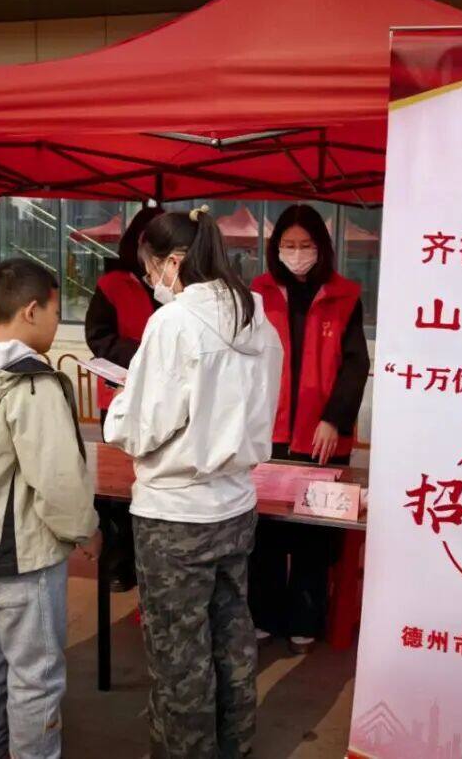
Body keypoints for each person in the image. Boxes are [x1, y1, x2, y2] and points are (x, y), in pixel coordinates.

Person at [103, 206, 283, 759]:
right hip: (235, 504)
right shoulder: (256, 317)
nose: (151, 280)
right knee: (231, 634)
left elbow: (142, 427)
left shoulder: (174, 323)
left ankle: (185, 750)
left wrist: (121, 409)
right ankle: (235, 742)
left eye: (150, 269)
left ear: (174, 261)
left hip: (175, 514)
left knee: (178, 651)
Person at [0, 258, 100, 759]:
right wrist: (86, 530)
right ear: (32, 310)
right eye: (56, 311)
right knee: (36, 676)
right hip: (21, 557)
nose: (58, 322)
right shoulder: (32, 383)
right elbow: (57, 477)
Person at [248, 204, 370, 654]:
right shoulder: (258, 294)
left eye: (305, 245)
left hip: (322, 438)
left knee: (313, 537)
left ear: (322, 248)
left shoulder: (345, 296)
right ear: (275, 248)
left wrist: (333, 418)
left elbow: (355, 365)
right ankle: (263, 615)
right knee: (264, 532)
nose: (296, 254)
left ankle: (305, 619)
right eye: (288, 245)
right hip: (270, 434)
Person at [84, 204, 159, 592]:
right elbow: (98, 337)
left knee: (153, 479)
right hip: (119, 395)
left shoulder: (178, 284)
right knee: (116, 487)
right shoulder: (113, 283)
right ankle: (117, 564)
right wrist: (145, 355)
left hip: (164, 399)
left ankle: (147, 562)